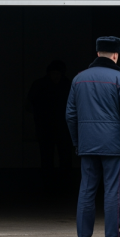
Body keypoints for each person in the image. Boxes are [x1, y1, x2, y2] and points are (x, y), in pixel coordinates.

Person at [66, 36, 120, 237]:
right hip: (114, 146)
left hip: (87, 144)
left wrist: (77, 141)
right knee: (112, 190)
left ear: (98, 53)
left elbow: (70, 115)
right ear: (116, 55)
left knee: (87, 189)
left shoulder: (79, 78)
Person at [28, 60, 73, 190]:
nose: (55, 76)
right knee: (49, 158)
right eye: (53, 73)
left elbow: (29, 105)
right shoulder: (66, 85)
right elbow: (29, 105)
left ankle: (59, 185)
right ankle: (52, 185)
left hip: (57, 128)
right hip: (50, 128)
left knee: (59, 158)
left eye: (57, 73)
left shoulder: (65, 85)